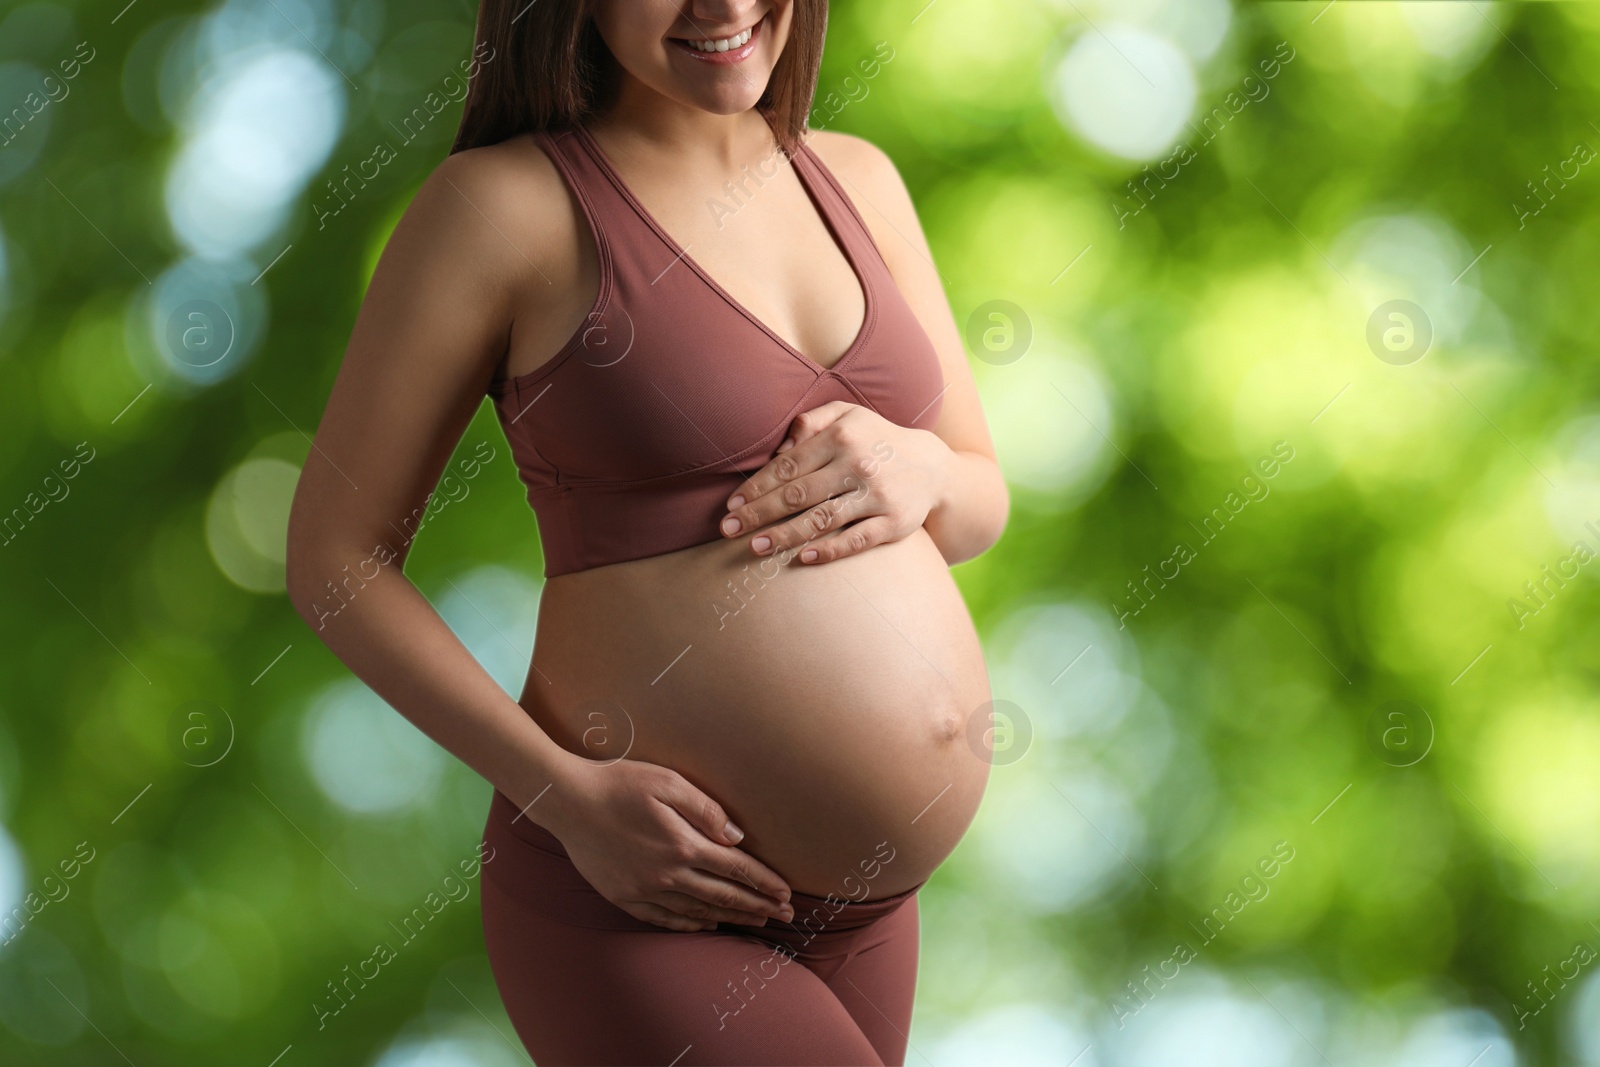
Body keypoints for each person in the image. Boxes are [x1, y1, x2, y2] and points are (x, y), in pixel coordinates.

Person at [285, 1, 1008, 1062]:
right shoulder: (503, 209)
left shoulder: (856, 179)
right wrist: (565, 797)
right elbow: (332, 559)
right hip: (632, 895)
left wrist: (925, 467)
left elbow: (979, 496)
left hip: (868, 915)